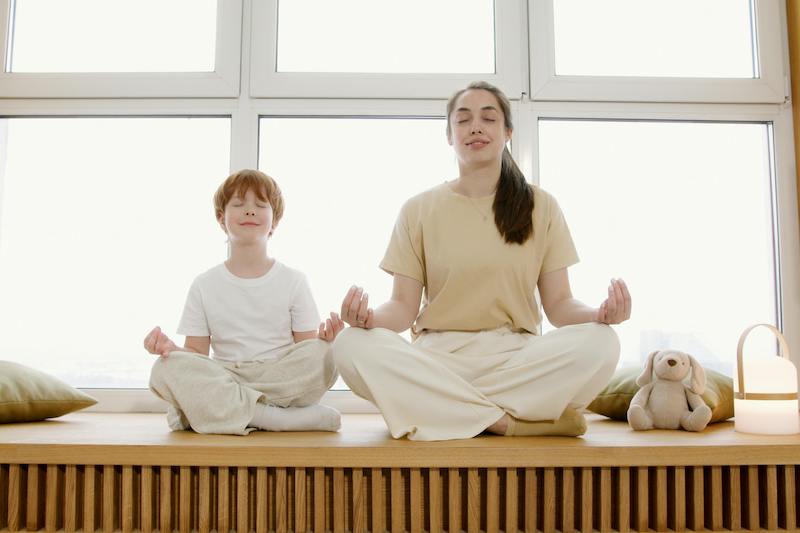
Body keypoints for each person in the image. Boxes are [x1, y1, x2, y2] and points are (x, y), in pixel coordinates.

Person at [331, 81, 631, 441]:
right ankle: (505, 421)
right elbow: (401, 308)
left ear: (506, 133)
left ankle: (446, 412)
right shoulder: (418, 209)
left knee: (602, 343)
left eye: (488, 118)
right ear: (449, 136)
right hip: (439, 360)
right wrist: (367, 320)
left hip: (516, 358)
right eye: (463, 120)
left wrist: (599, 316)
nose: (475, 127)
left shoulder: (541, 205)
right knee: (350, 345)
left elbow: (560, 305)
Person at [143, 169, 343, 435]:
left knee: (326, 355)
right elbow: (197, 355)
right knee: (164, 369)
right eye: (239, 204)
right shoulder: (204, 284)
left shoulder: (294, 280)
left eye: (260, 205)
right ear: (221, 218)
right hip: (227, 375)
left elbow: (306, 349)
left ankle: (228, 412)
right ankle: (274, 418)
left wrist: (327, 341)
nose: (250, 211)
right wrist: (171, 349)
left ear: (275, 221)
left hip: (279, 377)